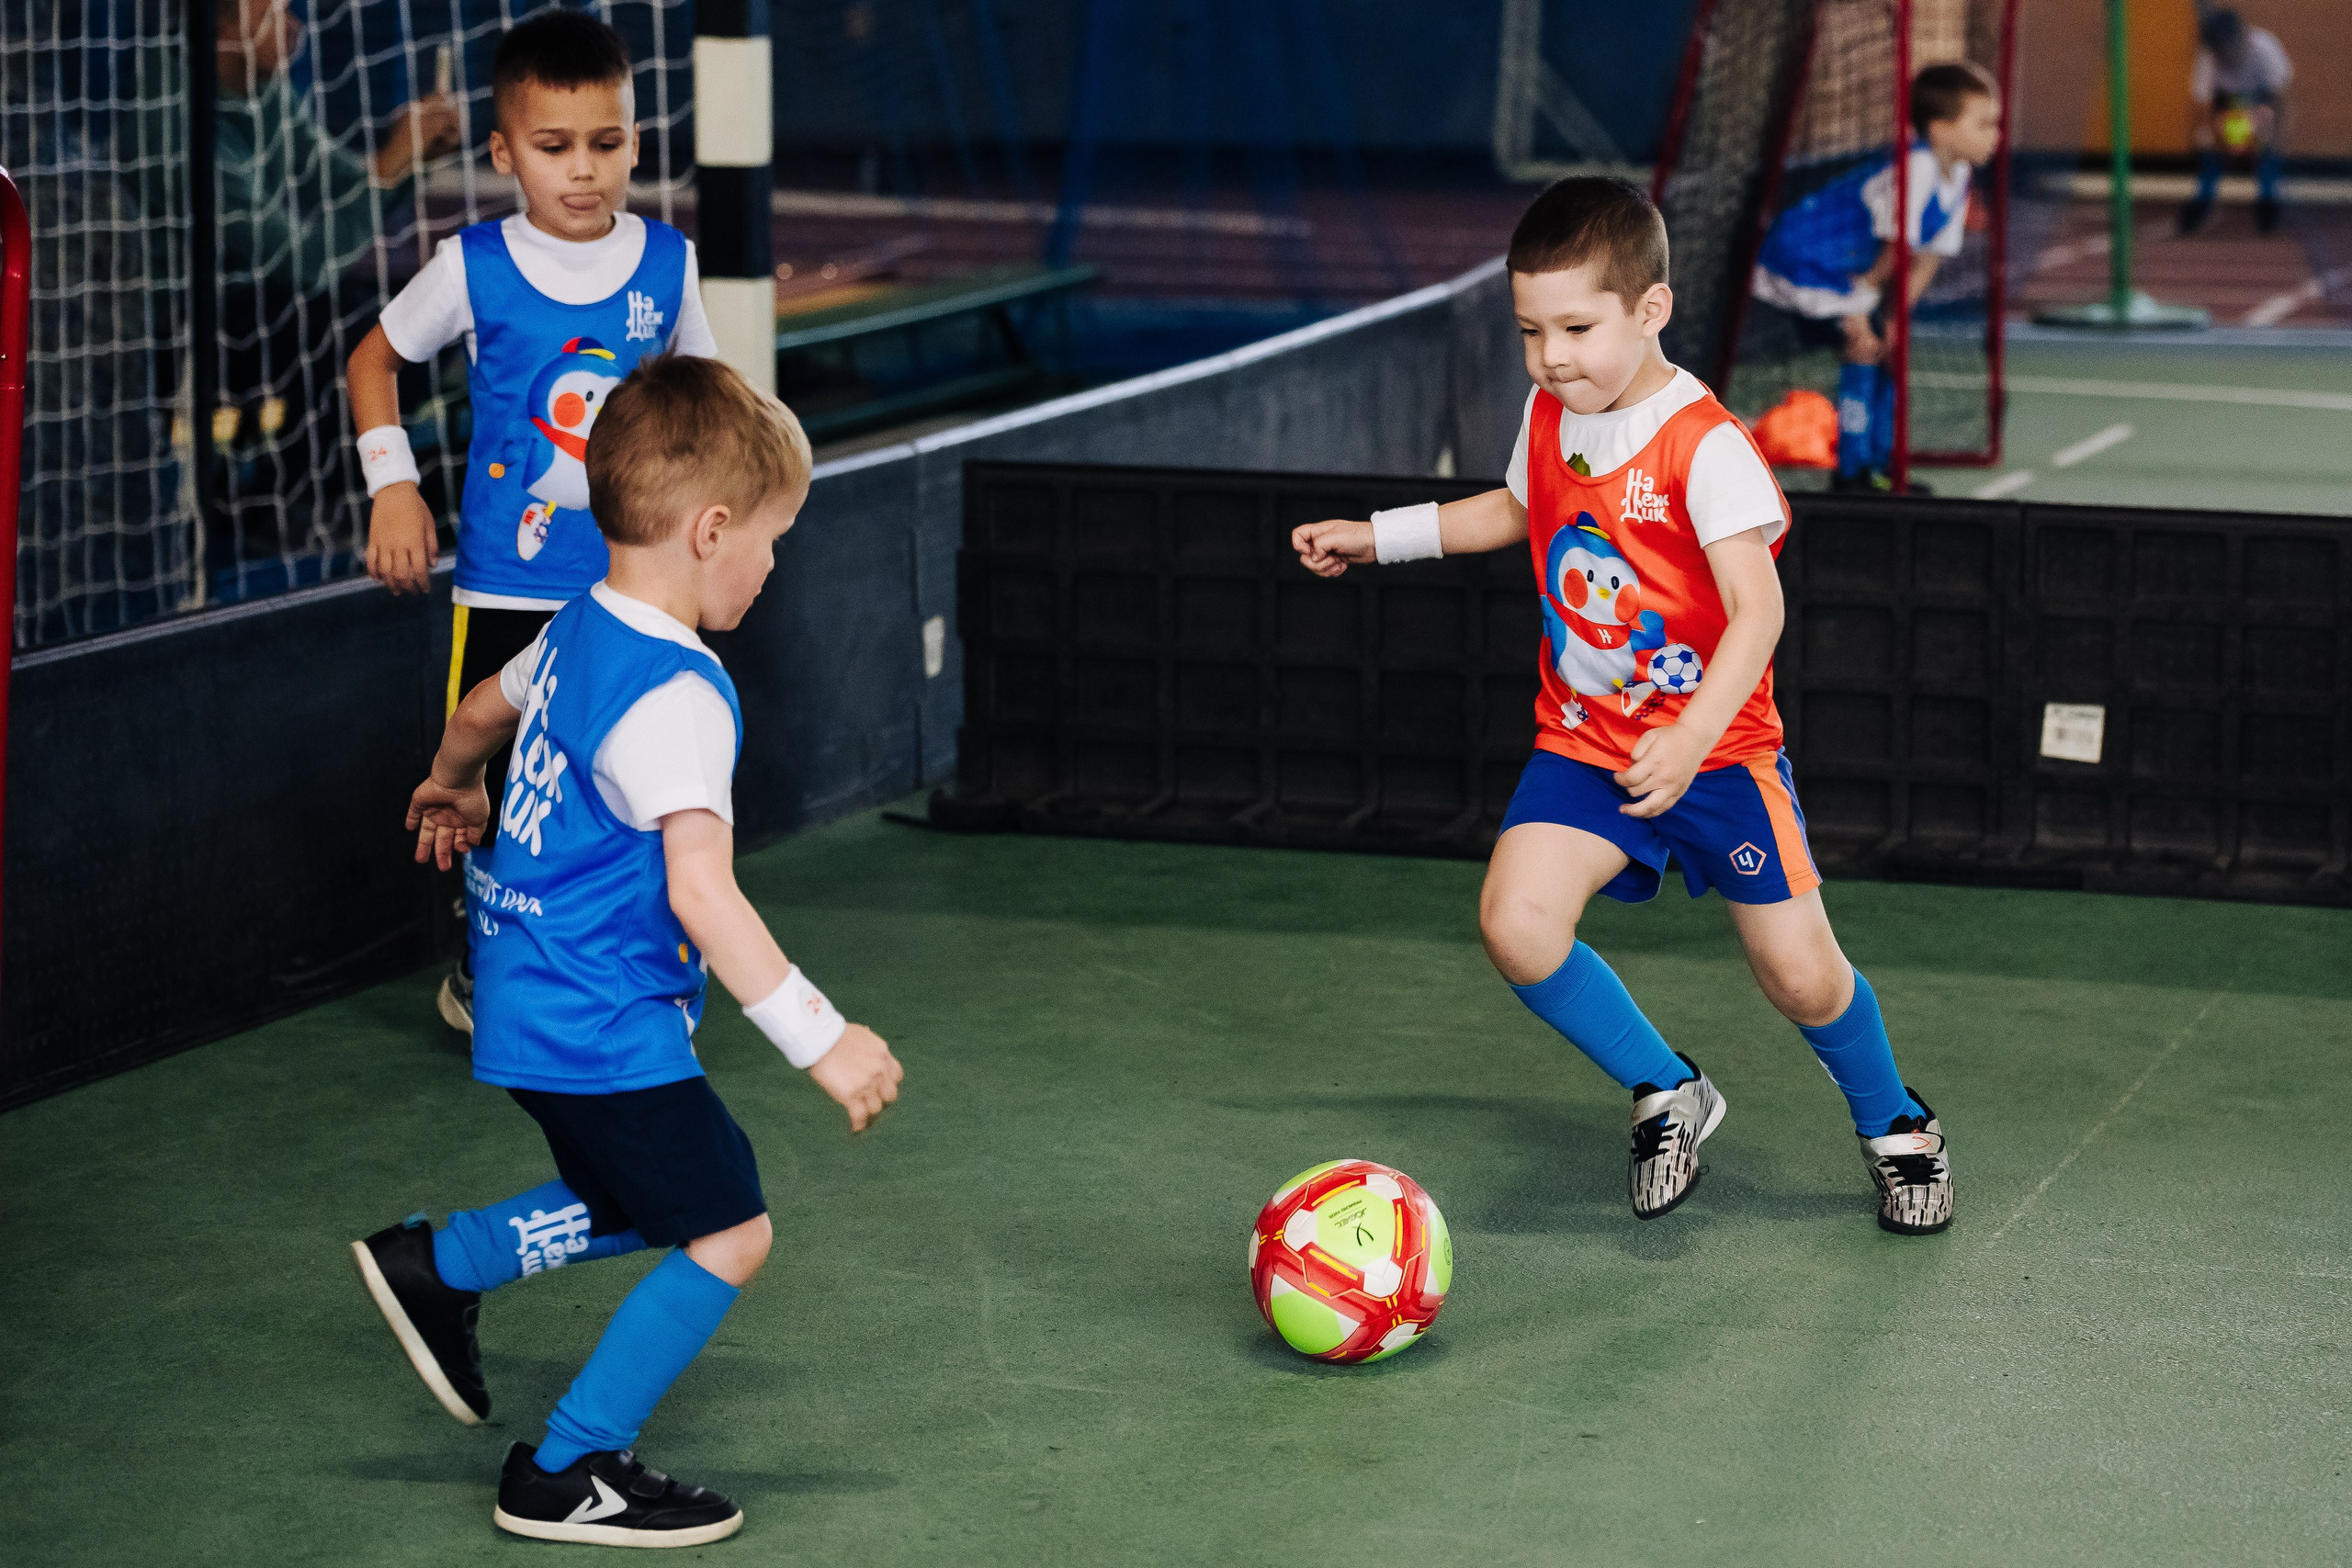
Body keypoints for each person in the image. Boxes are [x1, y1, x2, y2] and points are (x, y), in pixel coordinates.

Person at [1293, 176, 1953, 1236]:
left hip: (1718, 754)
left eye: (1576, 328)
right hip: (1587, 745)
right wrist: (1378, 534)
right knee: (1516, 925)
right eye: (1529, 331)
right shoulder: (1552, 411)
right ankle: (1667, 1088)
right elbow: (1515, 507)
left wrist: (1692, 739)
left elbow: (1758, 612)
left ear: (1650, 310)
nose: (1551, 357)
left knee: (1799, 976)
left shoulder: (1707, 445)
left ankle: (1897, 1127)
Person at [350, 355, 905, 1547]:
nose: (771, 563)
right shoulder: (679, 692)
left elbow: (482, 711)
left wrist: (450, 785)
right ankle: (565, 1463)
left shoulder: (577, 626)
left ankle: (442, 1262)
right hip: (602, 1015)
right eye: (773, 537)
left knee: (639, 1190)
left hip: (526, 1000)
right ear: (712, 528)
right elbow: (702, 892)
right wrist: (826, 1039)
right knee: (730, 1225)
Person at [345, 9, 718, 1034]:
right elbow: (371, 361)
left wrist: (719, 533)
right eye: (554, 149)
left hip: (638, 591)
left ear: (637, 141)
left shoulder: (667, 265)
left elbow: (707, 405)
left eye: (606, 144)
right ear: (505, 150)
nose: (583, 171)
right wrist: (393, 484)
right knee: (510, 795)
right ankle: (486, 974)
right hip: (508, 590)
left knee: (637, 787)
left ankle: (638, 975)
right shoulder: (472, 265)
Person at [212, 0, 458, 584]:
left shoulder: (266, 91)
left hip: (272, 301)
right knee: (354, 328)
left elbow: (344, 180)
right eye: (272, 14)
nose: (294, 27)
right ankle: (296, 501)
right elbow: (296, 263)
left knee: (426, 314)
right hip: (198, 321)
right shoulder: (176, 124)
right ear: (220, 30)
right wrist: (393, 164)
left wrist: (412, 156)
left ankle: (326, 488)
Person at [1748, 62, 2002, 495]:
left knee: (1889, 353)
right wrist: (1866, 310)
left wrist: (1897, 319)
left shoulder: (1958, 177)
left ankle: (1881, 466)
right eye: (1983, 124)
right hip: (1806, 257)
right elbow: (1894, 250)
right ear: (1941, 130)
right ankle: (1850, 474)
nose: (1994, 135)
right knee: (1865, 346)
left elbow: (1928, 258)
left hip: (1854, 269)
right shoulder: (1916, 168)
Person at [2178, 7, 2291, 236]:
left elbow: (2280, 102)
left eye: (2227, 52)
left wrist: (2272, 139)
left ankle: (2268, 201)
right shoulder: (2209, 60)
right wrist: (2218, 141)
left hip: (2261, 103)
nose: (2225, 60)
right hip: (2226, 106)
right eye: (2219, 55)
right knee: (2208, 150)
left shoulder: (2266, 50)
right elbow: (2204, 109)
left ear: (2241, 39)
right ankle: (2202, 201)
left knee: (2269, 151)